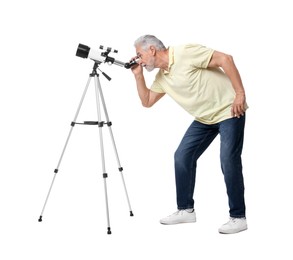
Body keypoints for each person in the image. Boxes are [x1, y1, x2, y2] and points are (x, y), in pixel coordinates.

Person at [130, 35, 248, 234]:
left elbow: (225, 59)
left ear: (152, 49)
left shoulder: (184, 52)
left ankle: (238, 217)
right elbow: (147, 101)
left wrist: (239, 94)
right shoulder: (162, 78)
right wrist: (138, 75)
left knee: (228, 160)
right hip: (204, 119)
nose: (138, 59)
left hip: (229, 110)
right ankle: (185, 209)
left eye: (139, 54)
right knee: (182, 156)